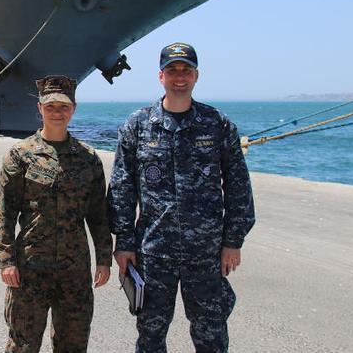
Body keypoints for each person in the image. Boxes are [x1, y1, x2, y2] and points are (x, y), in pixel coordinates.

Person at [107, 43, 255, 353]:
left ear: (196, 76)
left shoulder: (217, 124)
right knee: (150, 335)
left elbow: (239, 184)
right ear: (160, 75)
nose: (179, 77)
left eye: (186, 70)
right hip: (153, 251)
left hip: (206, 252)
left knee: (212, 334)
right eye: (172, 70)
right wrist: (124, 243)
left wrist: (233, 240)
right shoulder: (138, 125)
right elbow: (122, 187)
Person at [0, 75, 112, 353]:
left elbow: (98, 215)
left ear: (73, 109)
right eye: (51, 107)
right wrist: (6, 260)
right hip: (30, 267)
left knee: (73, 344)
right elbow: (5, 213)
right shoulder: (20, 155)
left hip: (74, 269)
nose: (57, 113)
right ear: (40, 108)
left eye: (63, 107)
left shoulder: (88, 158)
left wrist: (104, 259)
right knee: (22, 344)